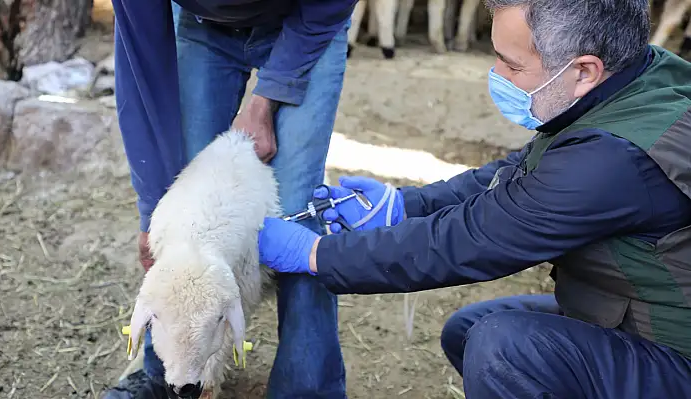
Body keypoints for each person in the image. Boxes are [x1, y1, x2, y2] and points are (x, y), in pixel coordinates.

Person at [257, 0, 691, 397]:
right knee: (468, 329)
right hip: (637, 311)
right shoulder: (639, 78)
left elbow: (471, 240)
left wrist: (317, 254)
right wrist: (404, 205)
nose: (496, 76)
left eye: (511, 64)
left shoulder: (613, 159)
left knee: (504, 347)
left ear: (584, 71)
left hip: (675, 352)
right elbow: (519, 174)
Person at [103, 0, 356, 398]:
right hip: (205, 27)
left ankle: (307, 387)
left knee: (295, 212)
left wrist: (266, 98)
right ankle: (161, 373)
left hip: (307, 21)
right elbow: (143, 69)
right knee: (182, 227)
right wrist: (154, 215)